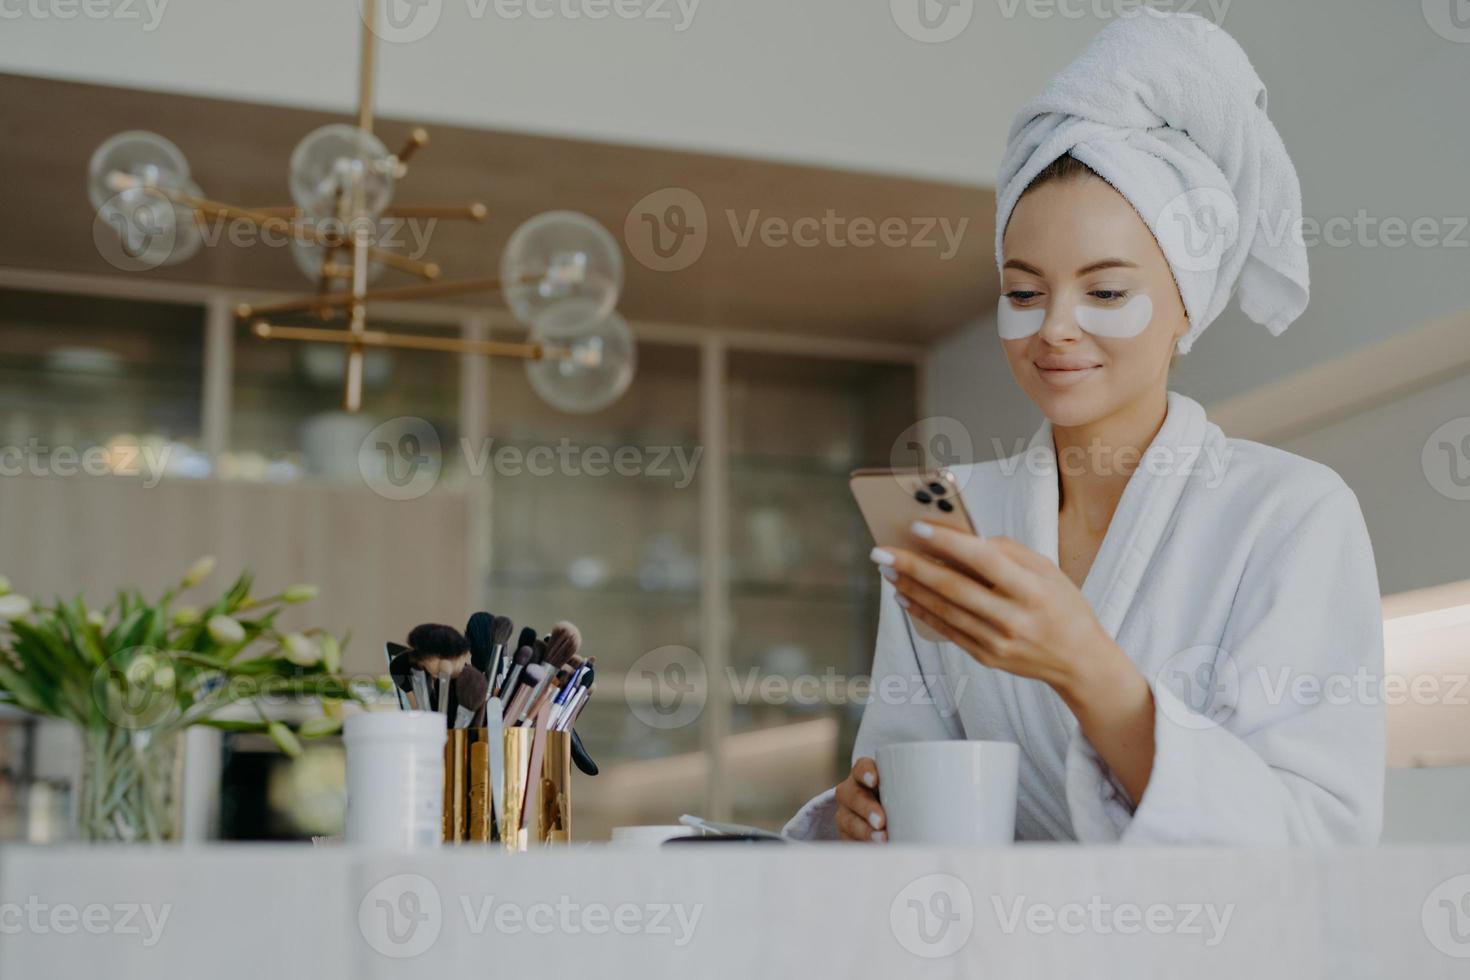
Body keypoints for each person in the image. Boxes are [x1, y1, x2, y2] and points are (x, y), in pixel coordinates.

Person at [784, 10, 1384, 845]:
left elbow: (1316, 843)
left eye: (1105, 292)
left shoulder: (1291, 513)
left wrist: (1086, 667)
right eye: (1024, 293)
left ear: (1187, 304)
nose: (1054, 328)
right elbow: (907, 765)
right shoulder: (960, 510)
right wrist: (866, 813)